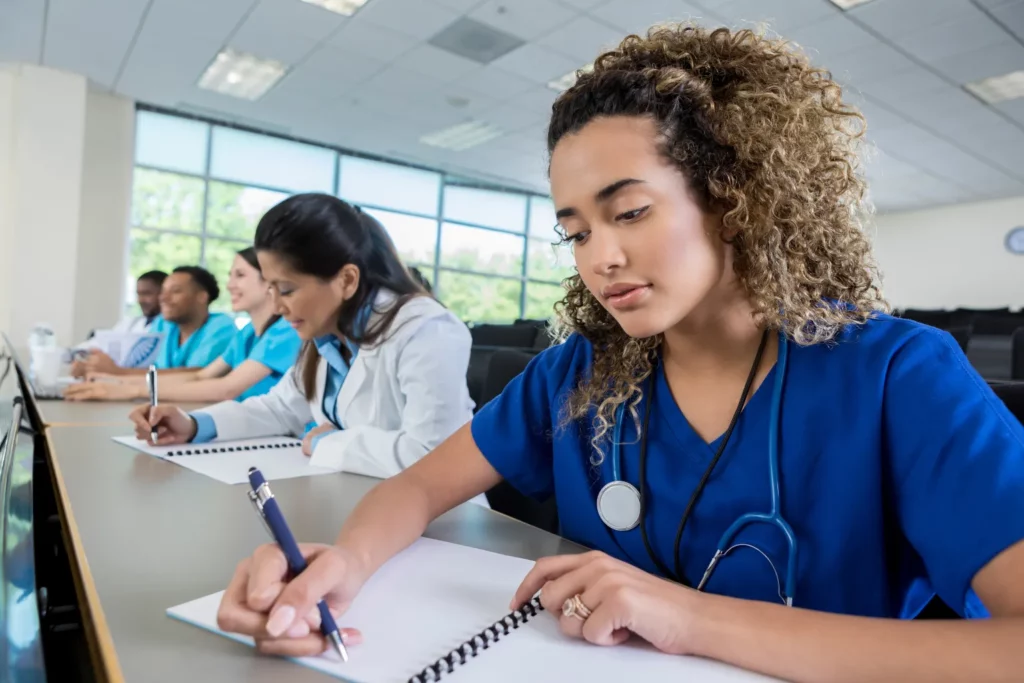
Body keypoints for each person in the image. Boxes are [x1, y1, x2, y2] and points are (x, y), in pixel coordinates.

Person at [213, 25, 1024, 679]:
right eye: (575, 231)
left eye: (629, 212)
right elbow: (420, 486)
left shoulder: (899, 377)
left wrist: (687, 618)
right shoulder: (581, 371)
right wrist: (339, 565)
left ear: (735, 199)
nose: (597, 257)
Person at [129, 193, 477, 483]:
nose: (277, 306)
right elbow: (279, 408)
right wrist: (193, 425)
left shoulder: (425, 329)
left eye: (287, 289)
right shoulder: (325, 335)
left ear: (346, 280)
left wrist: (331, 442)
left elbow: (433, 456)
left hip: (440, 524)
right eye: (271, 288)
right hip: (361, 499)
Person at [65, 248, 301, 402]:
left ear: (269, 279)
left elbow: (226, 388)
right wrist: (117, 382)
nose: (229, 285)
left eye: (240, 275)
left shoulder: (285, 331)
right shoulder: (247, 333)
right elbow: (202, 377)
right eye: (230, 276)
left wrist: (132, 389)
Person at [75, 266, 237, 377]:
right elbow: (145, 367)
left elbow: (199, 374)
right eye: (163, 292)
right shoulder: (163, 324)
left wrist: (117, 372)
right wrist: (94, 369)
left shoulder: (221, 327)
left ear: (202, 297)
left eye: (175, 291)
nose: (163, 298)